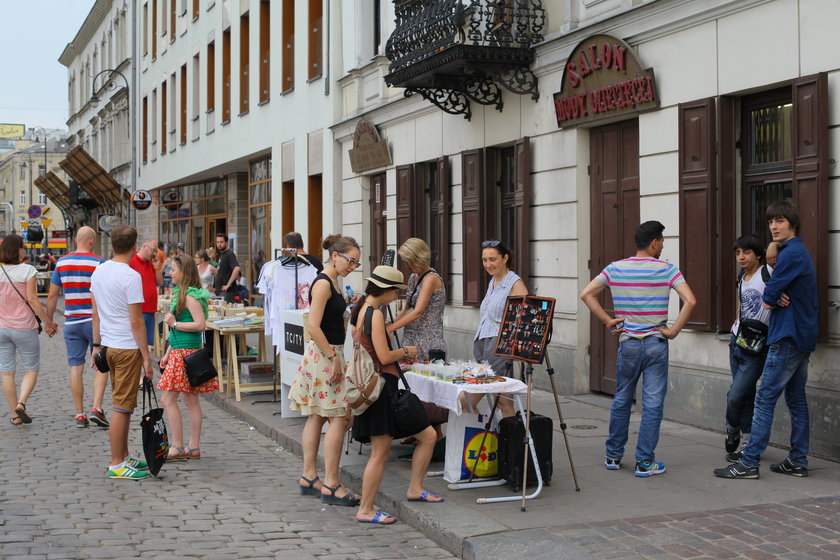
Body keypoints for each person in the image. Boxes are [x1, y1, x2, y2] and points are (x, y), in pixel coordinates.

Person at [580, 220, 696, 477]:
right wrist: (674, 330)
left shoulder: (615, 269)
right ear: (654, 242)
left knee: (622, 399)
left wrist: (608, 320)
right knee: (653, 403)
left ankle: (613, 455)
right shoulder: (667, 270)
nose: (663, 246)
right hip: (656, 343)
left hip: (629, 344)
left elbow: (586, 294)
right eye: (662, 241)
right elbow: (691, 300)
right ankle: (645, 462)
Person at [714, 201, 819, 479]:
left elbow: (770, 294)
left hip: (787, 336)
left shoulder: (792, 253)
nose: (773, 226)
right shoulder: (790, 250)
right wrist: (774, 250)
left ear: (793, 224)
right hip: (800, 335)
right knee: (796, 400)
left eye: (780, 221)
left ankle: (748, 462)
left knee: (764, 398)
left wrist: (774, 295)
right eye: (771, 221)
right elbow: (774, 290)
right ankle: (797, 460)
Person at [352, 266, 443, 525]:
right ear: (386, 290)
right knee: (380, 453)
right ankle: (366, 509)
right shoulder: (374, 314)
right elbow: (383, 356)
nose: (397, 297)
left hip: (378, 387)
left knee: (427, 435)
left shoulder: (361, 308)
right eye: (396, 291)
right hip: (382, 389)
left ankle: (415, 488)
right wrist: (405, 351)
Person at [288, 235, 361, 507]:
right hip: (326, 354)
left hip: (326, 353)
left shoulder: (332, 281)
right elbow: (313, 325)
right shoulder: (323, 283)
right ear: (335, 255)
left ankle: (309, 477)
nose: (352, 266)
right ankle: (331, 483)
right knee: (339, 418)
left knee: (318, 416)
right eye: (350, 260)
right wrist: (334, 357)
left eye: (356, 263)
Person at [90, 224, 153, 480]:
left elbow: (95, 312)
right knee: (122, 407)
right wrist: (147, 356)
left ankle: (124, 456)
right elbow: (136, 321)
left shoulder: (99, 271)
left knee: (121, 403)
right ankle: (117, 463)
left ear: (112, 244)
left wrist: (96, 346)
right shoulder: (131, 276)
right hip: (127, 347)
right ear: (135, 246)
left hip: (108, 345)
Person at [721, 236, 781, 462]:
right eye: (738, 253)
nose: (741, 257)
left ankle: (731, 428)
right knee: (744, 394)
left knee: (735, 395)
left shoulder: (768, 272)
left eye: (746, 252)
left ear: (758, 254)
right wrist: (736, 322)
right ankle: (746, 442)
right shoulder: (742, 277)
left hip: (757, 348)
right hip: (737, 341)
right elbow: (743, 304)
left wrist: (774, 245)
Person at [46, 226, 109, 428]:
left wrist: (49, 321)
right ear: (91, 241)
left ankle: (79, 413)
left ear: (75, 240)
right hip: (95, 321)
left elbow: (52, 295)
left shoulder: (62, 263)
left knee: (75, 366)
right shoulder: (100, 263)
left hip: (72, 322)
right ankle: (97, 408)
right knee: (101, 364)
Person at [389, 238, 448, 442]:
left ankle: (434, 434)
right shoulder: (414, 277)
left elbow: (419, 310)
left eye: (409, 261)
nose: (407, 266)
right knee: (411, 385)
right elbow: (407, 308)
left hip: (429, 340)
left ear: (419, 257)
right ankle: (417, 430)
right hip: (412, 337)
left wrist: (392, 327)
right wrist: (390, 325)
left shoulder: (431, 278)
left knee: (429, 388)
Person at [158, 254, 216, 460]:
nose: (170, 273)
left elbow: (200, 325)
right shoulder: (183, 294)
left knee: (168, 398)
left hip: (185, 353)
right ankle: (192, 446)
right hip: (179, 350)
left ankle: (178, 445)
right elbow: (178, 332)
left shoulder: (190, 297)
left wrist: (174, 323)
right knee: (189, 399)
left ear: (184, 272)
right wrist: (167, 352)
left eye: (173, 269)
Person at [1, 234, 58, 425]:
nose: (24, 249)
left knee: (7, 373)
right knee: (30, 369)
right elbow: (33, 300)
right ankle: (21, 403)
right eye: (22, 246)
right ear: (17, 249)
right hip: (25, 327)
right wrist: (48, 322)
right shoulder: (28, 270)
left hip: (2, 328)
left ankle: (16, 416)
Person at [471, 240, 528, 418]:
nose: (488, 264)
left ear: (505, 258)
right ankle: (502, 439)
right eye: (484, 260)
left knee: (497, 399)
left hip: (499, 345)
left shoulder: (514, 283)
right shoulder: (494, 280)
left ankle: (507, 441)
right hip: (483, 341)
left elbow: (522, 319)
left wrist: (508, 348)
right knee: (501, 400)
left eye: (492, 259)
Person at [129, 238, 163, 347]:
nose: (154, 254)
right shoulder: (132, 261)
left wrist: (157, 267)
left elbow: (159, 282)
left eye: (155, 251)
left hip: (151, 309)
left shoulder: (150, 263)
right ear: (144, 247)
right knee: (138, 345)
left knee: (148, 345)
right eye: (152, 250)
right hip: (139, 310)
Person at [213, 233, 241, 303]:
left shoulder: (229, 254)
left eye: (221, 242)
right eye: (217, 242)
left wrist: (228, 285)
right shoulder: (222, 254)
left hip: (228, 293)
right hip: (221, 293)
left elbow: (237, 268)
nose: (219, 244)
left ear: (226, 243)